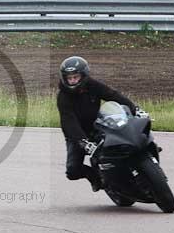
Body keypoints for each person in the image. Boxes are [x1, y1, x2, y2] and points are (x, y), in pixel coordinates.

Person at [56, 56, 137, 192]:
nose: (72, 81)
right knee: (72, 171)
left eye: (75, 77)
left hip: (98, 126)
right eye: (69, 78)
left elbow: (113, 95)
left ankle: (143, 155)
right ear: (64, 79)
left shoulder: (93, 85)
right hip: (77, 135)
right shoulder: (63, 97)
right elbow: (68, 121)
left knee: (126, 140)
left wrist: (133, 108)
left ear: (84, 75)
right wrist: (82, 141)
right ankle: (94, 176)